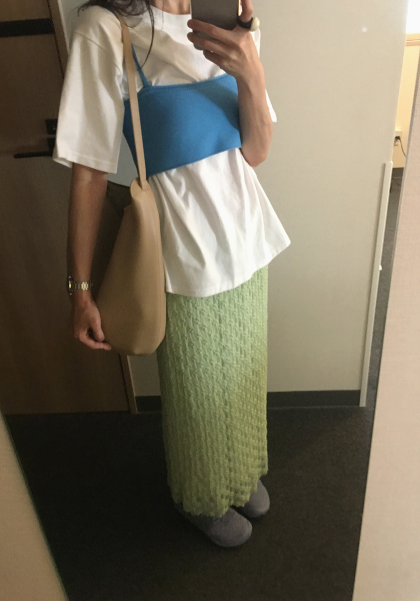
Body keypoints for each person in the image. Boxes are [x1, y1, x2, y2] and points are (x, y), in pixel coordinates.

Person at [52, 0, 291, 548]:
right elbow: (89, 172)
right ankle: (201, 496)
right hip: (185, 254)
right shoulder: (108, 28)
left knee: (243, 374)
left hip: (247, 238)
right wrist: (80, 289)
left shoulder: (227, 21)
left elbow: (256, 151)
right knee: (196, 392)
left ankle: (237, 473)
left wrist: (251, 68)